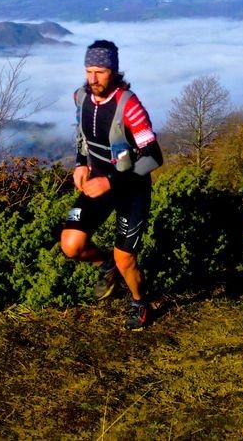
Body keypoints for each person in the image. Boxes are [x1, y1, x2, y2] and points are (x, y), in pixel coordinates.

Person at [60, 39, 162, 330]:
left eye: (100, 72)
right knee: (71, 245)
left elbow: (154, 156)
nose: (93, 79)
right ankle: (107, 266)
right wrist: (80, 163)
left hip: (130, 187)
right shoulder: (81, 98)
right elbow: (82, 137)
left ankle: (139, 302)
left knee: (125, 258)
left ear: (113, 72)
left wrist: (111, 181)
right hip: (96, 182)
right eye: (88, 71)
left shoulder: (129, 106)